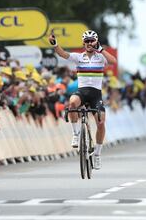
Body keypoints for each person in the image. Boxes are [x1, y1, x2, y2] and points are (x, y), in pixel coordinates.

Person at [48, 30, 116, 170]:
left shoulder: (101, 57)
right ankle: (75, 133)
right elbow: (63, 54)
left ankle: (97, 154)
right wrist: (55, 44)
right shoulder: (79, 57)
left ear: (96, 42)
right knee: (72, 102)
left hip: (96, 94)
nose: (89, 43)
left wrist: (101, 49)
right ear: (83, 43)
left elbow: (113, 61)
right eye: (87, 41)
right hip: (82, 92)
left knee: (101, 122)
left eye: (92, 40)